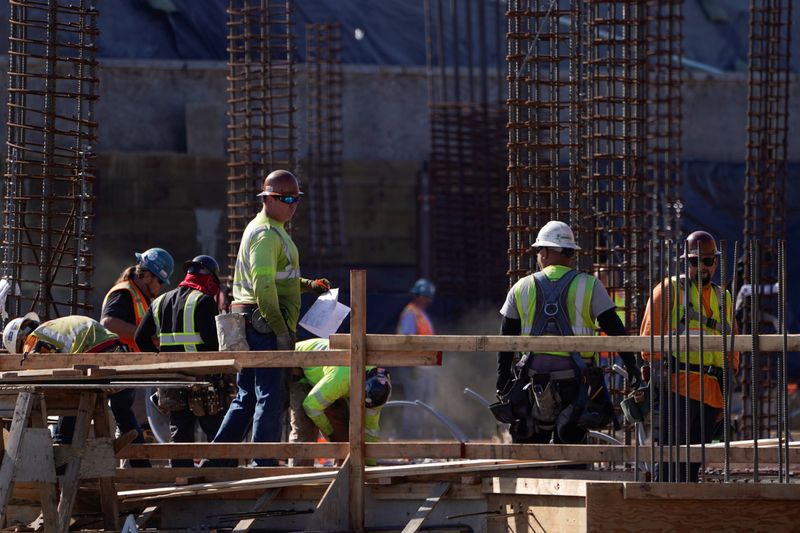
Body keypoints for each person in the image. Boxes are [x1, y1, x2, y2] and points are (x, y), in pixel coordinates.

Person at [208, 169, 330, 467]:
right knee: (269, 396)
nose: (293, 205)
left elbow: (277, 280)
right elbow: (263, 288)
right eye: (286, 198)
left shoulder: (274, 231)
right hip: (263, 323)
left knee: (247, 395)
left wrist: (308, 286)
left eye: (296, 199)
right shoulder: (265, 234)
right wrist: (280, 330)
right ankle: (263, 462)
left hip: (255, 321)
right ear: (269, 198)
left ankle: (217, 461)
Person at [494, 220, 640, 444]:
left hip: (532, 383)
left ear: (544, 252)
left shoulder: (521, 287)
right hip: (576, 384)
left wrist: (502, 379)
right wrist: (633, 370)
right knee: (572, 448)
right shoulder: (589, 285)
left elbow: (505, 340)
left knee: (532, 454)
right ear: (570, 253)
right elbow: (616, 331)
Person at [641, 230, 738, 482]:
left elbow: (732, 349)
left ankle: (683, 516)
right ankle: (663, 512)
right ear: (686, 262)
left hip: (710, 393)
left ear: (715, 262)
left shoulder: (722, 297)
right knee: (669, 464)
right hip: (677, 390)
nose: (701, 267)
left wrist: (725, 392)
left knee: (692, 466)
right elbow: (648, 342)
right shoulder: (669, 290)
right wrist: (658, 383)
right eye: (694, 261)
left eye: (707, 261)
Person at [134, 255, 231, 467]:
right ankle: (217, 477)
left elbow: (140, 338)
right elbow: (212, 342)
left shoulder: (160, 301)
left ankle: (181, 478)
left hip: (172, 377)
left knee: (180, 431)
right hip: (202, 378)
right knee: (214, 428)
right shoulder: (204, 301)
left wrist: (160, 363)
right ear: (210, 279)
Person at [2, 313, 128, 443]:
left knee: (68, 396)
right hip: (116, 349)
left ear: (20, 341)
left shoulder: (33, 340)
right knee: (125, 416)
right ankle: (140, 460)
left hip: (94, 353)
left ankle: (62, 442)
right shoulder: (51, 329)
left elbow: (37, 369)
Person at [100, 247, 174, 468]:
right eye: (159, 282)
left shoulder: (138, 295)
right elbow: (108, 323)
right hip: (119, 370)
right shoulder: (124, 292)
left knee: (131, 428)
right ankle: (136, 474)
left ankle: (132, 474)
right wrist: (146, 338)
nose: (160, 288)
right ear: (148, 275)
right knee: (131, 426)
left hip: (130, 372)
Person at [290, 338, 391, 466]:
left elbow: (370, 430)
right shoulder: (341, 378)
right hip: (298, 365)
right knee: (305, 428)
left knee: (344, 425)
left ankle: (343, 474)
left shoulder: (378, 392)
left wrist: (369, 466)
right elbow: (311, 407)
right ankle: (299, 481)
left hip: (325, 375)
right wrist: (330, 432)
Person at [395, 279, 436, 438]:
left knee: (422, 403)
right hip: (414, 366)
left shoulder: (420, 313)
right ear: (419, 296)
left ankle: (417, 437)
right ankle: (409, 438)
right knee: (415, 403)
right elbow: (406, 340)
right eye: (426, 296)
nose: (428, 299)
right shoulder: (411, 314)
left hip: (423, 366)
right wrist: (411, 364)